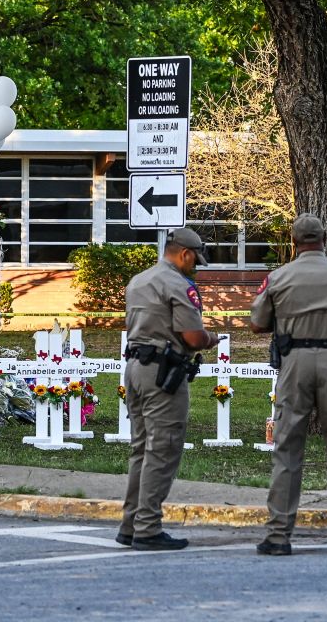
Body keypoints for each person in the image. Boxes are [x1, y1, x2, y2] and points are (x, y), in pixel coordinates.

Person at [250, 213, 327, 556]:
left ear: (293, 242)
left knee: (287, 447)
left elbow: (257, 323)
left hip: (294, 362)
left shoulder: (278, 277)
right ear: (325, 238)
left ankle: (278, 535)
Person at [118, 227, 218, 552]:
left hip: (134, 369)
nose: (196, 267)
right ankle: (147, 528)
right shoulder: (178, 284)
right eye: (195, 260)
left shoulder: (138, 280)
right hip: (162, 373)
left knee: (141, 449)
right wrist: (210, 339)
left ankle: (130, 524)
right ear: (185, 253)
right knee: (163, 449)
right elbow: (191, 337)